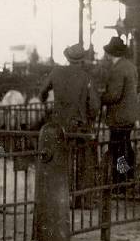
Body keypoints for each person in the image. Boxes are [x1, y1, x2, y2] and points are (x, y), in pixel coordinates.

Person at [40, 43, 100, 207]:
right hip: (79, 125)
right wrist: (91, 118)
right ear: (82, 60)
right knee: (83, 160)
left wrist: (48, 108)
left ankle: (61, 196)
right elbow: (94, 105)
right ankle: (83, 199)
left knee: (60, 159)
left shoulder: (56, 72)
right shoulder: (86, 77)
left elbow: (42, 92)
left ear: (67, 57)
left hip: (58, 124)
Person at [100, 36, 140, 184]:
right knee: (126, 145)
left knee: (118, 148)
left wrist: (100, 98)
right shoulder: (130, 66)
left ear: (110, 53)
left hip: (119, 116)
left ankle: (121, 179)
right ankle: (128, 176)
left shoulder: (117, 69)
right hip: (130, 114)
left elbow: (114, 95)